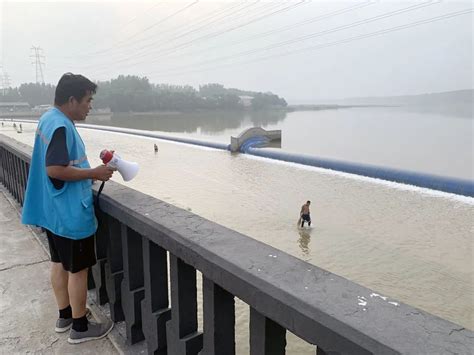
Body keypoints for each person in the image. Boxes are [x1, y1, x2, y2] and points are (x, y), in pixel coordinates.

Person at [21, 73, 115, 344]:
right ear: (72, 100)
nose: (90, 106)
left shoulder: (49, 119)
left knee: (59, 263)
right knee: (78, 270)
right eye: (88, 100)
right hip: (70, 213)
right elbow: (55, 169)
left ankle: (64, 315)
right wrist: (93, 173)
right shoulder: (61, 126)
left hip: (53, 211)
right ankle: (80, 327)